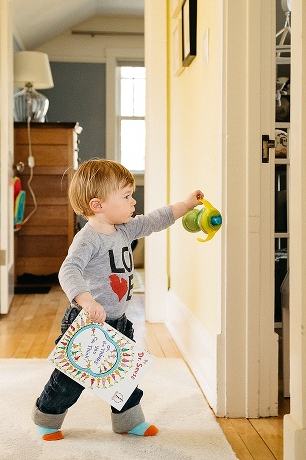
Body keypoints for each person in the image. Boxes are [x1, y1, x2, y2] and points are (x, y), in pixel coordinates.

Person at [32, 158, 203, 441]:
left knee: (125, 375)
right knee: (71, 379)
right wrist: (85, 300)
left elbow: (154, 220)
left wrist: (185, 205)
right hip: (87, 323)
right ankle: (47, 417)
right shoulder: (88, 239)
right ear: (97, 205)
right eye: (126, 196)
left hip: (119, 322)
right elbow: (69, 269)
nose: (133, 202)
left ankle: (127, 420)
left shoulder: (124, 228)